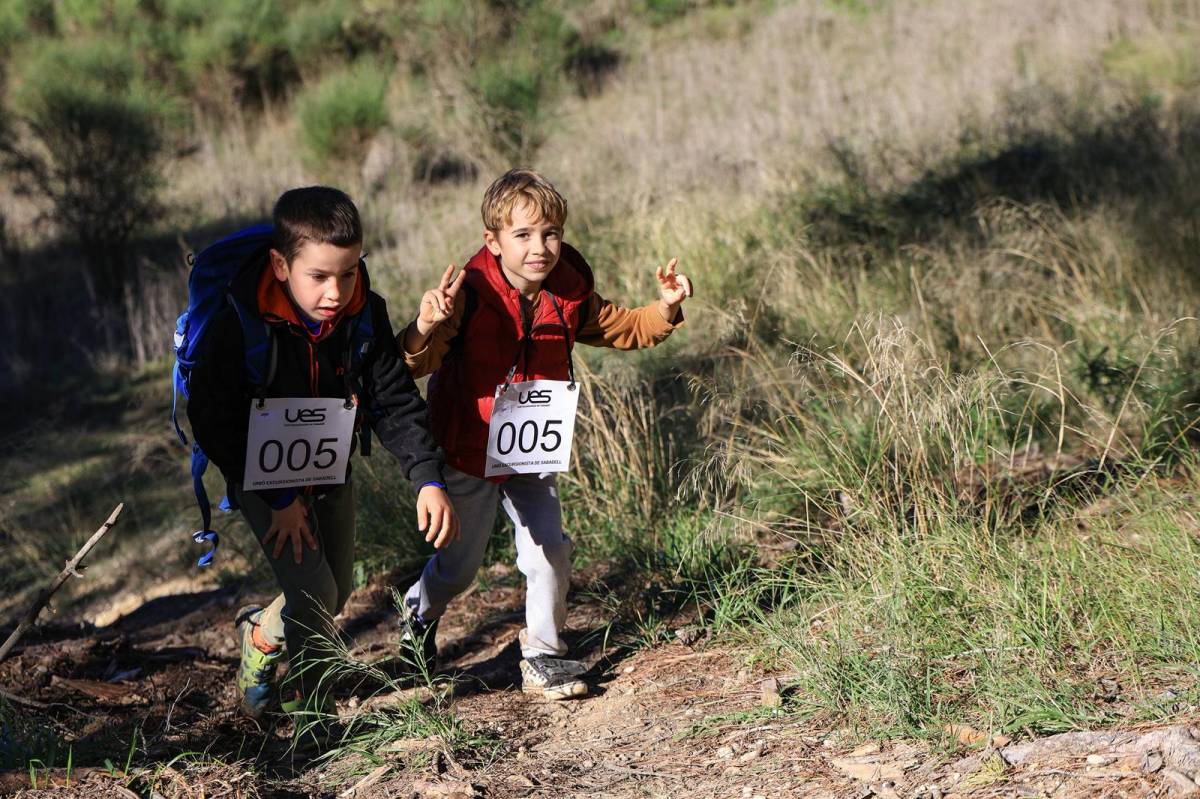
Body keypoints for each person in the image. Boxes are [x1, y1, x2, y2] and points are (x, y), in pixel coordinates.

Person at [398, 168, 693, 699]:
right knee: (459, 569)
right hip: (469, 450)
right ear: (493, 241)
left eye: (551, 233)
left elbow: (622, 326)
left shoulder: (570, 290)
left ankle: (543, 655)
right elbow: (414, 362)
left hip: (533, 448)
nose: (541, 247)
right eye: (523, 235)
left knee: (549, 550)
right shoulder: (469, 295)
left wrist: (666, 308)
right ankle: (417, 611)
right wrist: (425, 325)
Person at [186, 186, 459, 721]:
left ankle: (261, 635)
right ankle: (315, 712)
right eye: (319, 276)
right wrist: (279, 495)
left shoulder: (364, 316)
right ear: (280, 265)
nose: (336, 291)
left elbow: (394, 399)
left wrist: (428, 477)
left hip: (330, 468)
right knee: (312, 590)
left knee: (333, 593)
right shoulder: (237, 319)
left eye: (350, 273)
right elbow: (212, 418)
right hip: (260, 474)